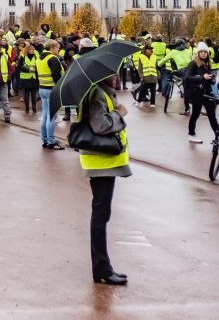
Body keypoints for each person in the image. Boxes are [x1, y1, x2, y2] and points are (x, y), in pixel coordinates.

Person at [78, 76, 130, 286]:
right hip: (101, 162)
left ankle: (102, 266)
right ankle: (101, 267)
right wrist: (119, 113)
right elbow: (101, 126)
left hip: (103, 162)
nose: (117, 76)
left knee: (102, 213)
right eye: (113, 73)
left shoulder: (102, 92)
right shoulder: (98, 93)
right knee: (100, 214)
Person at [182, 42, 219, 143]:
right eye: (201, 52)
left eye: (205, 52)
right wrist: (202, 77)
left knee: (212, 115)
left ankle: (218, 136)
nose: (203, 53)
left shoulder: (207, 63)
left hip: (206, 92)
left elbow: (207, 77)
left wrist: (211, 79)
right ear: (198, 53)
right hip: (196, 93)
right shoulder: (193, 63)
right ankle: (191, 134)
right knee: (195, 114)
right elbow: (187, 78)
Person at [37, 39, 64, 149]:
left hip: (42, 89)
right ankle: (51, 141)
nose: (59, 49)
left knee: (44, 116)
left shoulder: (40, 58)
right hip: (51, 90)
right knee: (51, 117)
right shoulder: (53, 58)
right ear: (52, 47)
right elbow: (56, 76)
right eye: (57, 47)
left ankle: (45, 140)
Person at [17, 42, 39, 113]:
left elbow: (38, 66)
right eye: (30, 50)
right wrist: (28, 69)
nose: (32, 51)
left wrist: (36, 69)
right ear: (27, 50)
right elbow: (19, 66)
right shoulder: (23, 57)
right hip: (25, 78)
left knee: (34, 95)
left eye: (33, 50)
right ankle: (27, 108)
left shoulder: (36, 57)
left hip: (33, 77)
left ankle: (34, 108)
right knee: (26, 95)